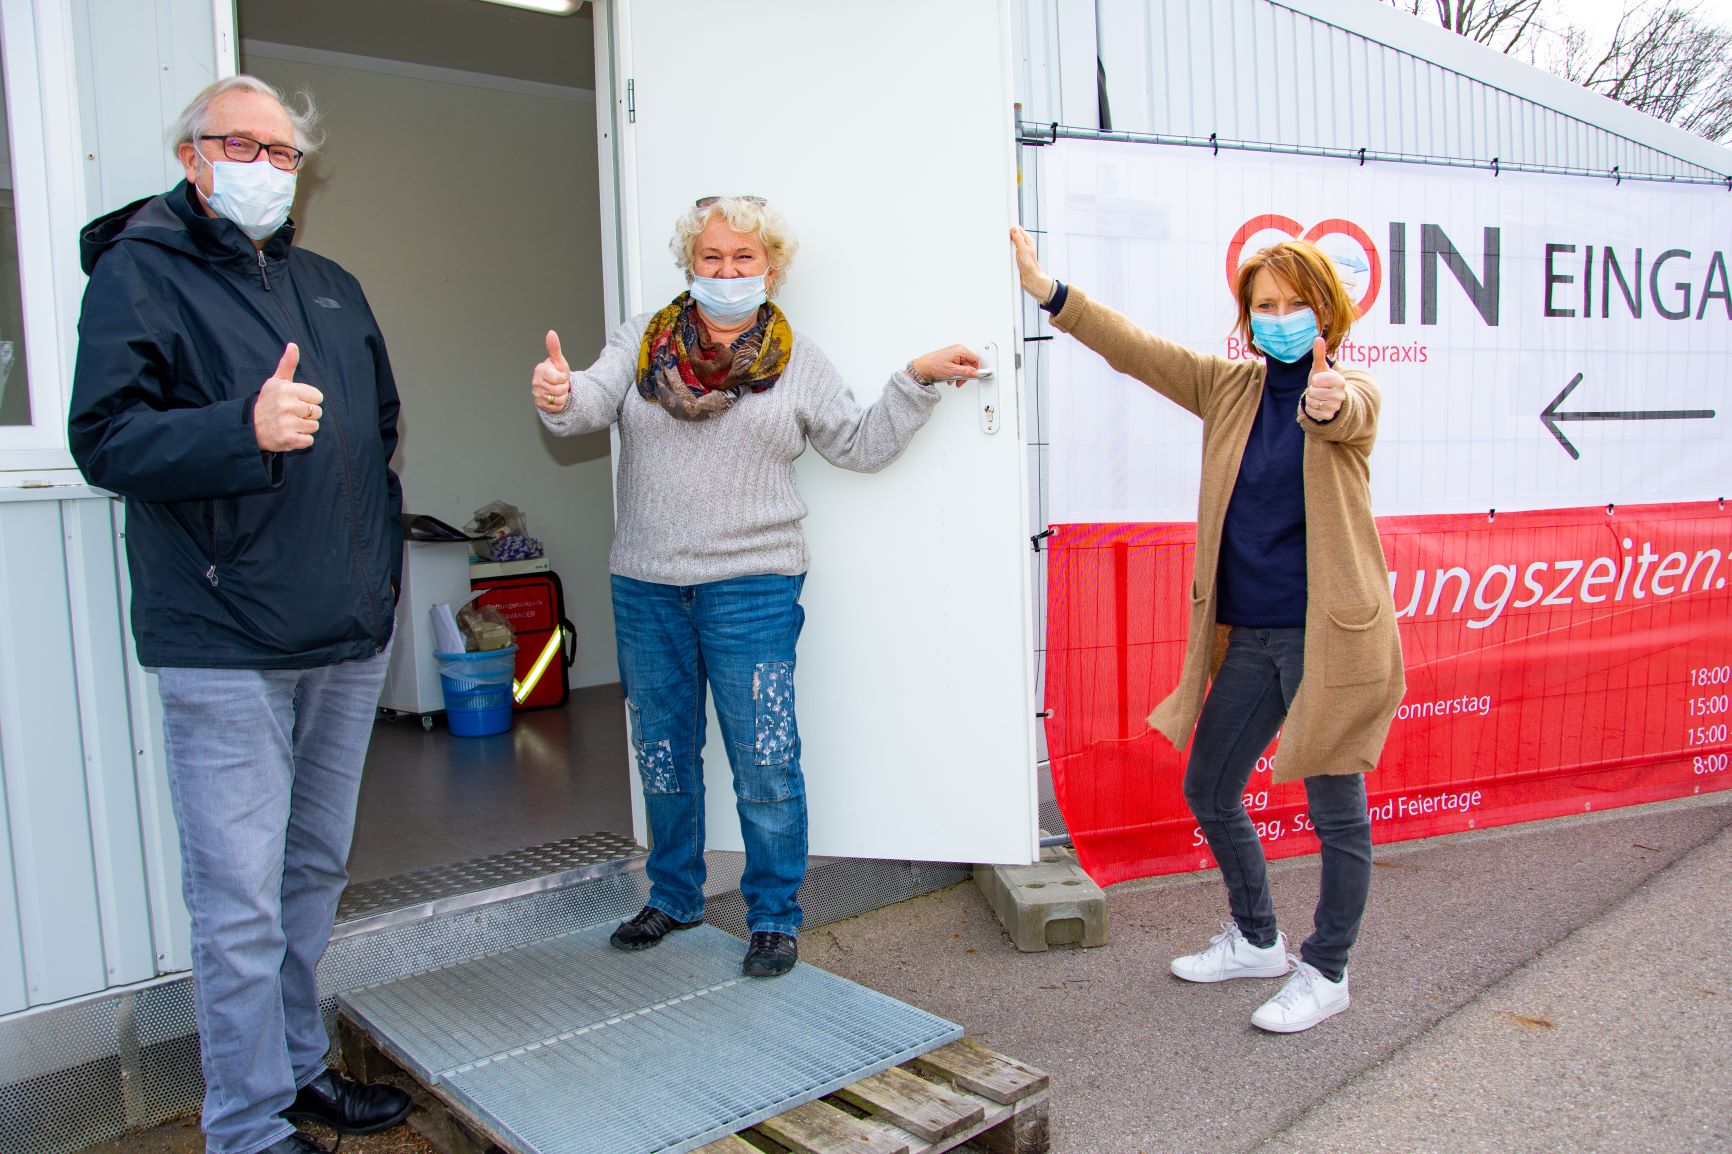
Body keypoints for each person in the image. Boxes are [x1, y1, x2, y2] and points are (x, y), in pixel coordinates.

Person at [68, 77, 411, 1154]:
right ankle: (246, 1126)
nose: (267, 167)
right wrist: (240, 428)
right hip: (225, 642)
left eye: (284, 152)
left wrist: (381, 580)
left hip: (344, 633)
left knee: (310, 875)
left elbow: (379, 434)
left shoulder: (331, 286)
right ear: (193, 157)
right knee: (240, 901)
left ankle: (297, 1070)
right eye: (243, 145)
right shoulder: (139, 272)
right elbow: (105, 439)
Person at [533, 196, 980, 978]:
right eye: (712, 257)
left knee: (766, 761)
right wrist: (559, 393)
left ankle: (773, 916)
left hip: (754, 591)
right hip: (647, 588)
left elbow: (858, 445)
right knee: (662, 754)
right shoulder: (641, 340)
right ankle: (674, 897)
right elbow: (587, 405)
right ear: (690, 264)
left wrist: (913, 381)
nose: (728, 270)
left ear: (771, 270)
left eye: (745, 258)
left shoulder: (798, 360)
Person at [1010, 226, 1404, 1033]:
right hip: (1250, 635)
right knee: (1210, 787)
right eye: (1266, 306)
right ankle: (1258, 940)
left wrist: (1328, 402)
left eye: (1296, 305)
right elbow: (1137, 350)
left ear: (1328, 312)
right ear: (1247, 316)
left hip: (1327, 640)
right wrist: (1048, 291)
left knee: (1337, 813)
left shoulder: (1349, 389)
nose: (1280, 318)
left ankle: (1327, 971)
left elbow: (1350, 413)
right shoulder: (1230, 389)